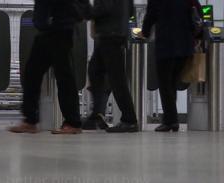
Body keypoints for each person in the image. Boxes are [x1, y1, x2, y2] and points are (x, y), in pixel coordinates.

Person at [9, 0, 83, 134]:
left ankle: (73, 122)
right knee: (32, 73)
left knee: (64, 76)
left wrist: (57, 19)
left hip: (60, 30)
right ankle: (30, 120)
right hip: (46, 31)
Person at [141, 0, 202, 132]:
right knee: (172, 83)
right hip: (185, 46)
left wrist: (144, 32)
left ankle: (170, 121)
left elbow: (150, 16)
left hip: (166, 46)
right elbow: (198, 12)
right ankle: (171, 119)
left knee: (165, 84)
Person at [85, 0, 139, 133]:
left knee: (117, 79)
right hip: (113, 34)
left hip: (110, 35)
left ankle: (129, 120)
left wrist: (85, 9)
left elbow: (102, 9)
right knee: (95, 70)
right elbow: (130, 11)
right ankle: (97, 115)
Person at [82, 22, 110, 130]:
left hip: (107, 37)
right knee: (100, 75)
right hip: (107, 38)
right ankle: (97, 114)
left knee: (97, 73)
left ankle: (97, 115)